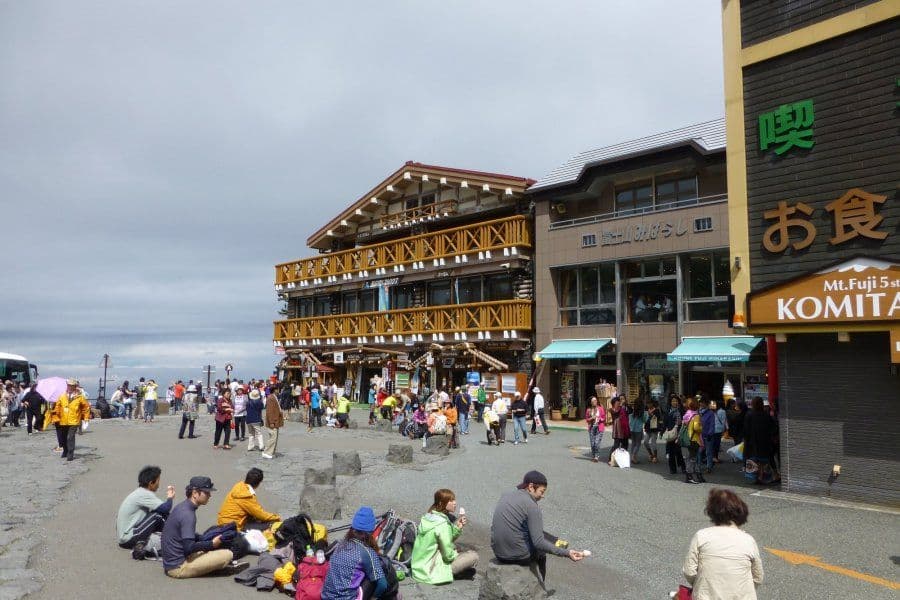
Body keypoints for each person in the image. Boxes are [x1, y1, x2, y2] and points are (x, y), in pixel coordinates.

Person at [491, 471, 584, 590]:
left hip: (498, 552)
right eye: (542, 491)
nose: (543, 495)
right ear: (531, 487)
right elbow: (538, 543)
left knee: (532, 529)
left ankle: (555, 541)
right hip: (517, 557)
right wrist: (567, 554)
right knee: (541, 549)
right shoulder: (532, 506)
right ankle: (540, 586)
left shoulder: (506, 495)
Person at [682, 488, 764, 599]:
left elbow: (689, 571)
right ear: (741, 512)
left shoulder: (701, 536)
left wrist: (701, 584)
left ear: (711, 512)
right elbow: (758, 577)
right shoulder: (748, 540)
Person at [161, 476, 239, 578]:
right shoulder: (188, 515)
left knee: (206, 545)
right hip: (178, 568)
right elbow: (189, 547)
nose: (210, 495)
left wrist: (204, 540)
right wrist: (212, 544)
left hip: (171, 562)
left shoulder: (182, 506)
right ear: (194, 493)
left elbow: (185, 537)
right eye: (206, 492)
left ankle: (210, 565)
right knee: (227, 554)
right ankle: (214, 568)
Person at [321, 506, 390, 600]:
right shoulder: (366, 552)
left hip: (325, 596)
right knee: (376, 575)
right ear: (371, 532)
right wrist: (374, 597)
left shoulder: (339, 544)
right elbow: (383, 585)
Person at [411, 489, 478, 584]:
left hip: (418, 569)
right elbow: (448, 556)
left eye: (454, 500)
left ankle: (460, 571)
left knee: (456, 548)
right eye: (451, 501)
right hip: (430, 573)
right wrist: (456, 553)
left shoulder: (428, 518)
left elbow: (445, 539)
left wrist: (458, 528)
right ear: (441, 503)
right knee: (473, 556)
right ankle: (455, 573)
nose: (455, 503)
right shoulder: (442, 524)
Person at [116, 466, 175, 552]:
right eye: (158, 481)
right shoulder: (144, 494)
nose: (159, 484)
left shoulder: (139, 492)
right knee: (157, 516)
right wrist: (170, 497)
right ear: (151, 483)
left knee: (160, 513)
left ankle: (177, 535)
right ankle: (177, 537)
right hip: (128, 538)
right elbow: (166, 508)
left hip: (126, 536)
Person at [44, 379, 91, 462]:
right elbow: (58, 406)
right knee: (63, 437)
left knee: (70, 437)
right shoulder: (62, 396)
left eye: (71, 385)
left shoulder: (80, 397)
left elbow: (86, 407)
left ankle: (70, 453)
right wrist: (54, 414)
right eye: (68, 385)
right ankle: (65, 450)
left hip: (74, 420)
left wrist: (86, 418)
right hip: (63, 420)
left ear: (75, 386)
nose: (69, 387)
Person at [683, 398, 704, 484]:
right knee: (692, 458)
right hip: (694, 439)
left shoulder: (687, 415)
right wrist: (701, 427)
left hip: (688, 438)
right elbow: (696, 428)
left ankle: (697, 475)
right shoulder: (696, 416)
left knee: (691, 457)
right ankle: (689, 476)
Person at [665, 394, 686, 475]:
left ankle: (683, 467)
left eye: (676, 401)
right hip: (670, 433)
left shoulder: (681, 411)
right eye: (673, 401)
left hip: (679, 433)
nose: (675, 402)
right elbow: (665, 421)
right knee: (671, 452)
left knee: (678, 451)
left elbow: (684, 421)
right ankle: (672, 469)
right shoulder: (668, 411)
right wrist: (663, 430)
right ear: (670, 402)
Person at [262, 386, 284, 459]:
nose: (279, 390)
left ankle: (271, 451)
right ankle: (266, 452)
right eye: (278, 389)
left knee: (274, 437)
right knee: (273, 437)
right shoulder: (271, 398)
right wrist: (271, 422)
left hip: (276, 420)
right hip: (273, 421)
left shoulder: (274, 397)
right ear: (275, 390)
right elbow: (270, 411)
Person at [607, 396, 630, 465]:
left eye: (619, 402)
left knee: (625, 444)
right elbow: (615, 413)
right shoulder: (613, 410)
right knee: (616, 445)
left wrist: (625, 405)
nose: (619, 403)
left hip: (624, 430)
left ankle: (622, 459)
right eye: (617, 402)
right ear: (614, 404)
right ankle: (610, 459)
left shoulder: (622, 409)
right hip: (617, 431)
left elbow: (629, 412)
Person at [698, 398, 716, 474]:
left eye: (703, 403)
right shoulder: (698, 412)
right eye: (700, 403)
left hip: (708, 435)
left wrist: (710, 434)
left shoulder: (710, 413)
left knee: (708, 452)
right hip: (699, 435)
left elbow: (712, 424)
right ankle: (698, 466)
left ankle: (709, 467)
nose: (701, 404)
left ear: (706, 404)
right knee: (699, 451)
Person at [585, 396, 605, 462]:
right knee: (592, 443)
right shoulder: (588, 410)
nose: (595, 402)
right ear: (590, 402)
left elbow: (604, 417)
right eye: (593, 401)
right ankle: (594, 456)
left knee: (596, 443)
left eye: (596, 400)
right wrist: (592, 418)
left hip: (599, 427)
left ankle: (596, 456)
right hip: (592, 427)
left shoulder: (600, 408)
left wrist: (600, 419)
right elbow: (587, 420)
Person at [628, 398, 645, 464]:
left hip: (632, 429)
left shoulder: (633, 411)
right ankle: (633, 456)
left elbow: (629, 419)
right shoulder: (642, 412)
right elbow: (645, 420)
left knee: (633, 443)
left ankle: (633, 457)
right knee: (638, 444)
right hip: (638, 429)